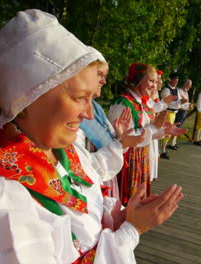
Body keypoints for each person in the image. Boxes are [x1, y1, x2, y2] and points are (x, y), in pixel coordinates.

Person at [0, 10, 183, 263]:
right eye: (79, 98)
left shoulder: (57, 146)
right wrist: (132, 231)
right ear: (29, 96)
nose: (89, 114)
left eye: (91, 99)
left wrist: (118, 219)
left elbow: (85, 187)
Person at [109, 63, 186, 205]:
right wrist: (153, 127)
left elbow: (147, 134)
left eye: (156, 81)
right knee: (127, 202)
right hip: (128, 160)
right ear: (138, 80)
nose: (154, 85)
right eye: (151, 80)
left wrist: (164, 131)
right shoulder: (123, 103)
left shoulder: (141, 102)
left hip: (140, 156)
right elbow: (124, 138)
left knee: (138, 200)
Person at [77, 57, 143, 199]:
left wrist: (120, 137)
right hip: (91, 180)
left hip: (105, 172)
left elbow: (112, 143)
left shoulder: (97, 108)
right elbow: (80, 165)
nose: (104, 81)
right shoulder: (73, 114)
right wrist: (120, 143)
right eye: (99, 75)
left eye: (105, 76)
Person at [159, 73, 188, 159]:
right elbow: (169, 103)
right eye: (175, 79)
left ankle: (163, 149)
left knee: (169, 132)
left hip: (174, 113)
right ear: (170, 80)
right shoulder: (166, 90)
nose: (176, 82)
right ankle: (162, 150)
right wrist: (179, 103)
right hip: (167, 112)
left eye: (177, 80)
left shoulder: (176, 90)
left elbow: (178, 102)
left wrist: (183, 103)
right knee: (166, 131)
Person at [169, 79, 192, 149]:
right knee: (177, 127)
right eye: (189, 84)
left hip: (184, 111)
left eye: (190, 85)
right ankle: (171, 144)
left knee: (180, 126)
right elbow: (179, 102)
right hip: (180, 111)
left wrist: (189, 105)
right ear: (185, 83)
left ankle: (174, 142)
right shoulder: (179, 91)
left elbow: (185, 102)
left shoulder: (186, 93)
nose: (190, 86)